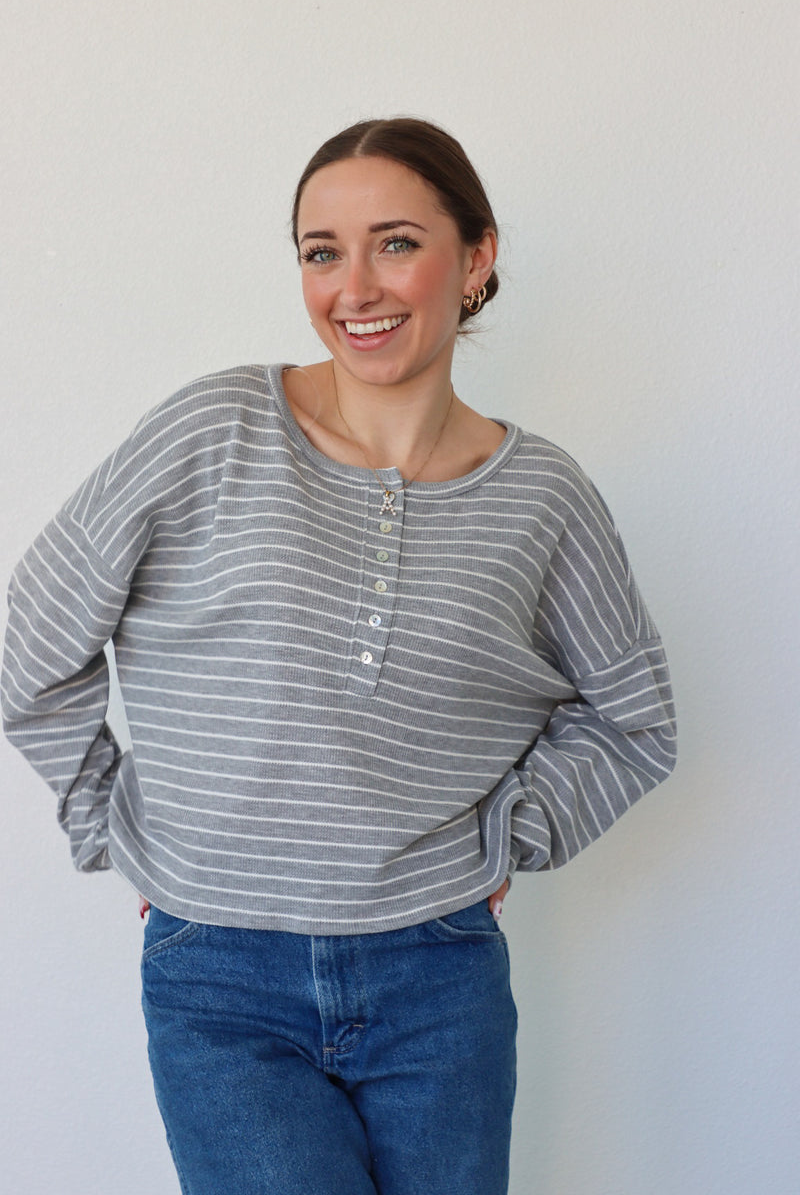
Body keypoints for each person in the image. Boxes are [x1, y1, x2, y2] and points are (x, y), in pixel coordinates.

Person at [1, 117, 677, 1195]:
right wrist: (114, 824)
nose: (352, 287)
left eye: (395, 242)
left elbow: (633, 714)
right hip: (218, 977)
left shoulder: (542, 496)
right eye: (321, 251)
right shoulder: (211, 430)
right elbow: (32, 640)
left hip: (439, 975)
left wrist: (514, 833)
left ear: (477, 258)